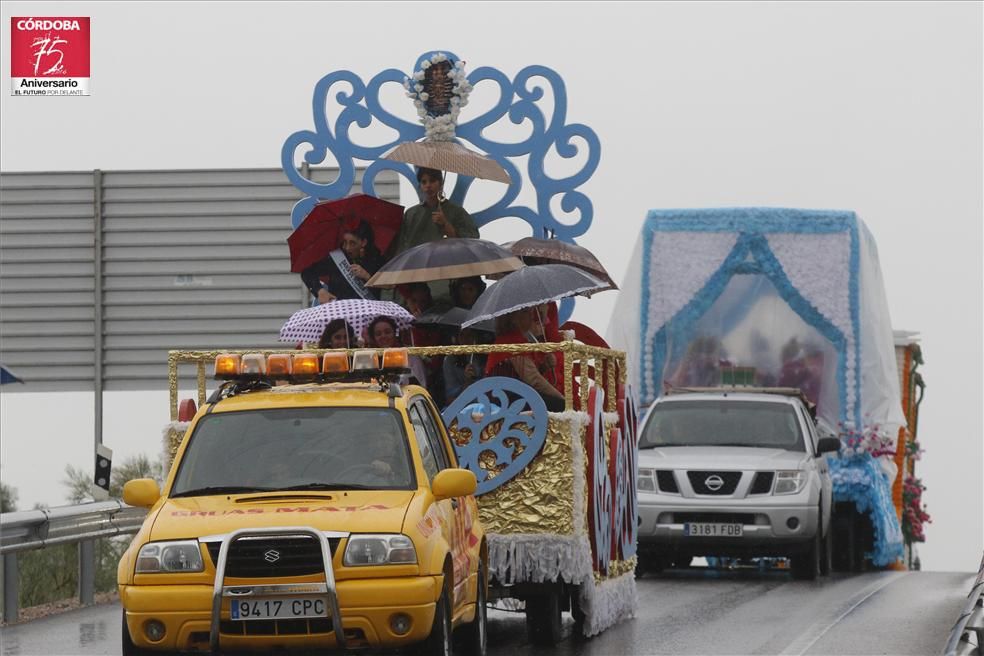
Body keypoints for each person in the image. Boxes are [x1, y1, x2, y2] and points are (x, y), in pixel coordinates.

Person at [485, 308, 565, 412]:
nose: (532, 315)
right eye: (525, 311)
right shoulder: (512, 341)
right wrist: (562, 398)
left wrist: (545, 366)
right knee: (560, 405)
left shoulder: (517, 339)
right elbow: (534, 380)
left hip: (512, 393)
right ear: (513, 318)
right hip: (504, 397)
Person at [301, 220, 385, 302]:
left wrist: (367, 277)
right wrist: (320, 291)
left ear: (363, 242)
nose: (347, 248)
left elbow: (388, 287)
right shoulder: (337, 258)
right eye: (345, 242)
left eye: (352, 243)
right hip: (339, 313)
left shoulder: (377, 260)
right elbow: (307, 272)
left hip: (368, 313)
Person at [367, 316, 428, 387]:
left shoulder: (410, 354)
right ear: (374, 338)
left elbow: (421, 383)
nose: (383, 336)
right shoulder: (371, 358)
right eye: (378, 334)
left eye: (387, 332)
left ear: (395, 333)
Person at [443, 327, 490, 404]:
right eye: (462, 335)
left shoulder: (485, 358)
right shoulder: (450, 360)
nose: (465, 340)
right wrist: (468, 381)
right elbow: (450, 399)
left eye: (469, 335)